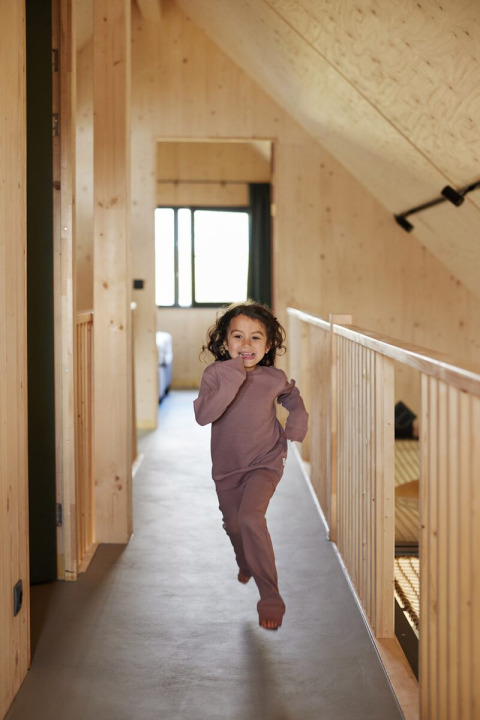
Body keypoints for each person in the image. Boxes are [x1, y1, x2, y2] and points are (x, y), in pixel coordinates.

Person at [194, 301, 309, 630]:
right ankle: (245, 560)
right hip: (227, 469)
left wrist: (297, 420)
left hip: (266, 461)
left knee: (250, 517)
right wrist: (233, 376)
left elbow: (292, 396)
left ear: (269, 344)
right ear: (225, 341)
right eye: (238, 337)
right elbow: (204, 415)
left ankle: (270, 595)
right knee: (234, 525)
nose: (246, 345)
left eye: (256, 338)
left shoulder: (273, 377)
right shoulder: (215, 374)